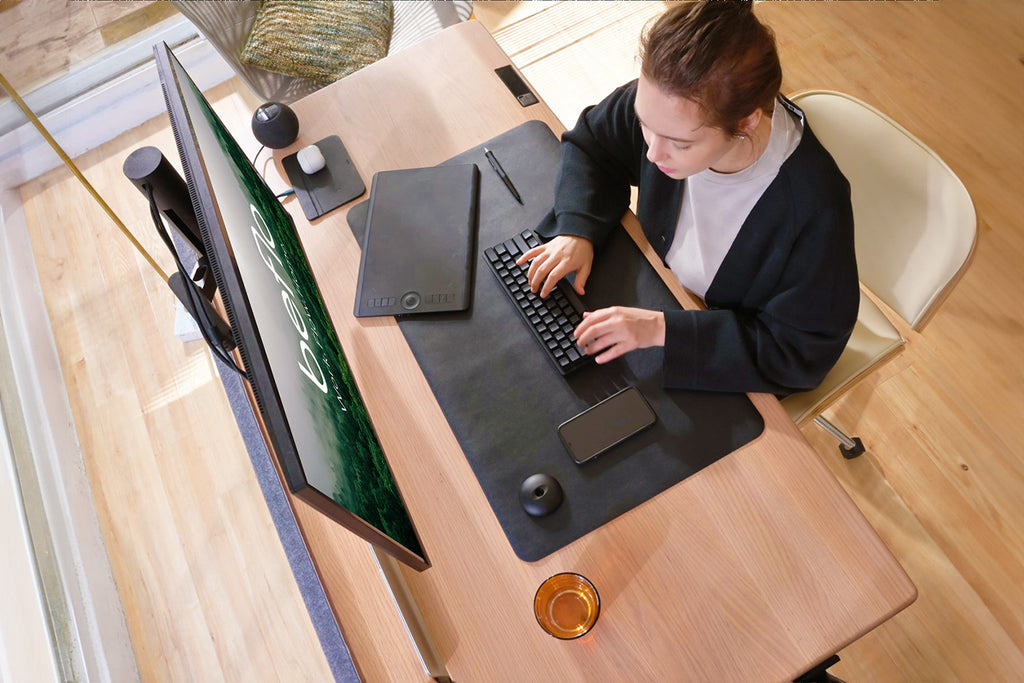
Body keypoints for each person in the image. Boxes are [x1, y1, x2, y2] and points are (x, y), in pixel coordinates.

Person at [519, 1, 859, 396]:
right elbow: (594, 145)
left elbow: (798, 353)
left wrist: (662, 330)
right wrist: (577, 228)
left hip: (717, 350)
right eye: (645, 124)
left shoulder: (813, 209)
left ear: (747, 121)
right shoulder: (673, 105)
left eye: (680, 144)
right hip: (661, 288)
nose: (652, 154)